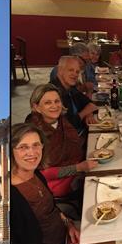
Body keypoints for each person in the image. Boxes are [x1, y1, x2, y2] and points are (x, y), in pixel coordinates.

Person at [25, 83, 97, 220]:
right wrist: (78, 167)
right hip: (59, 184)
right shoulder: (33, 134)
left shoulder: (61, 120)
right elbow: (42, 174)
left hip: (78, 167)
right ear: (36, 107)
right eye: (47, 102)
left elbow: (72, 145)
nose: (54, 106)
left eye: (57, 101)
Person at [10, 122, 80, 244]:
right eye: (23, 147)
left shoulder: (37, 174)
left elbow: (53, 209)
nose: (32, 153)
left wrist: (69, 225)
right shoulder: (12, 194)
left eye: (36, 145)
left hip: (67, 236)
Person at [49, 55, 98, 136]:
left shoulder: (70, 87)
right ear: (60, 70)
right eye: (71, 70)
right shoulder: (53, 94)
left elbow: (88, 102)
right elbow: (65, 126)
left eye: (77, 72)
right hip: (70, 141)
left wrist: (89, 114)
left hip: (80, 132)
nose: (75, 74)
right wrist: (85, 112)